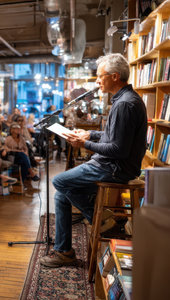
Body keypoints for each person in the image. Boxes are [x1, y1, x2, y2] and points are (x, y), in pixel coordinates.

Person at [39, 53, 147, 268]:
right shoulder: (125, 100)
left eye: (100, 76)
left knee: (59, 181)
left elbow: (118, 149)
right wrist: (90, 135)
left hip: (115, 168)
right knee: (61, 195)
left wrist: (83, 144)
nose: (97, 81)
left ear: (115, 77)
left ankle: (103, 221)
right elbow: (113, 137)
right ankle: (64, 252)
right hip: (112, 164)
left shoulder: (124, 105)